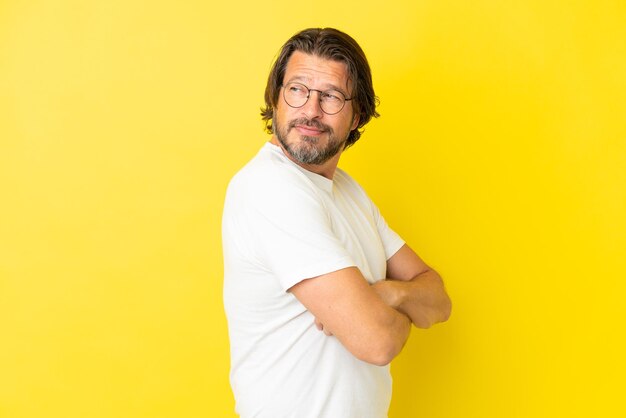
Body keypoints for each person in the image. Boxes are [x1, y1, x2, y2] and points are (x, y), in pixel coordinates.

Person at [222, 27, 451, 418]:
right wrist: (390, 309)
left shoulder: (346, 191)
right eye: (297, 90)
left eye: (330, 96)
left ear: (356, 114)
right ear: (276, 99)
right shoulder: (271, 188)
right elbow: (377, 341)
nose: (310, 110)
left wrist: (388, 296)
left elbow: (438, 301)